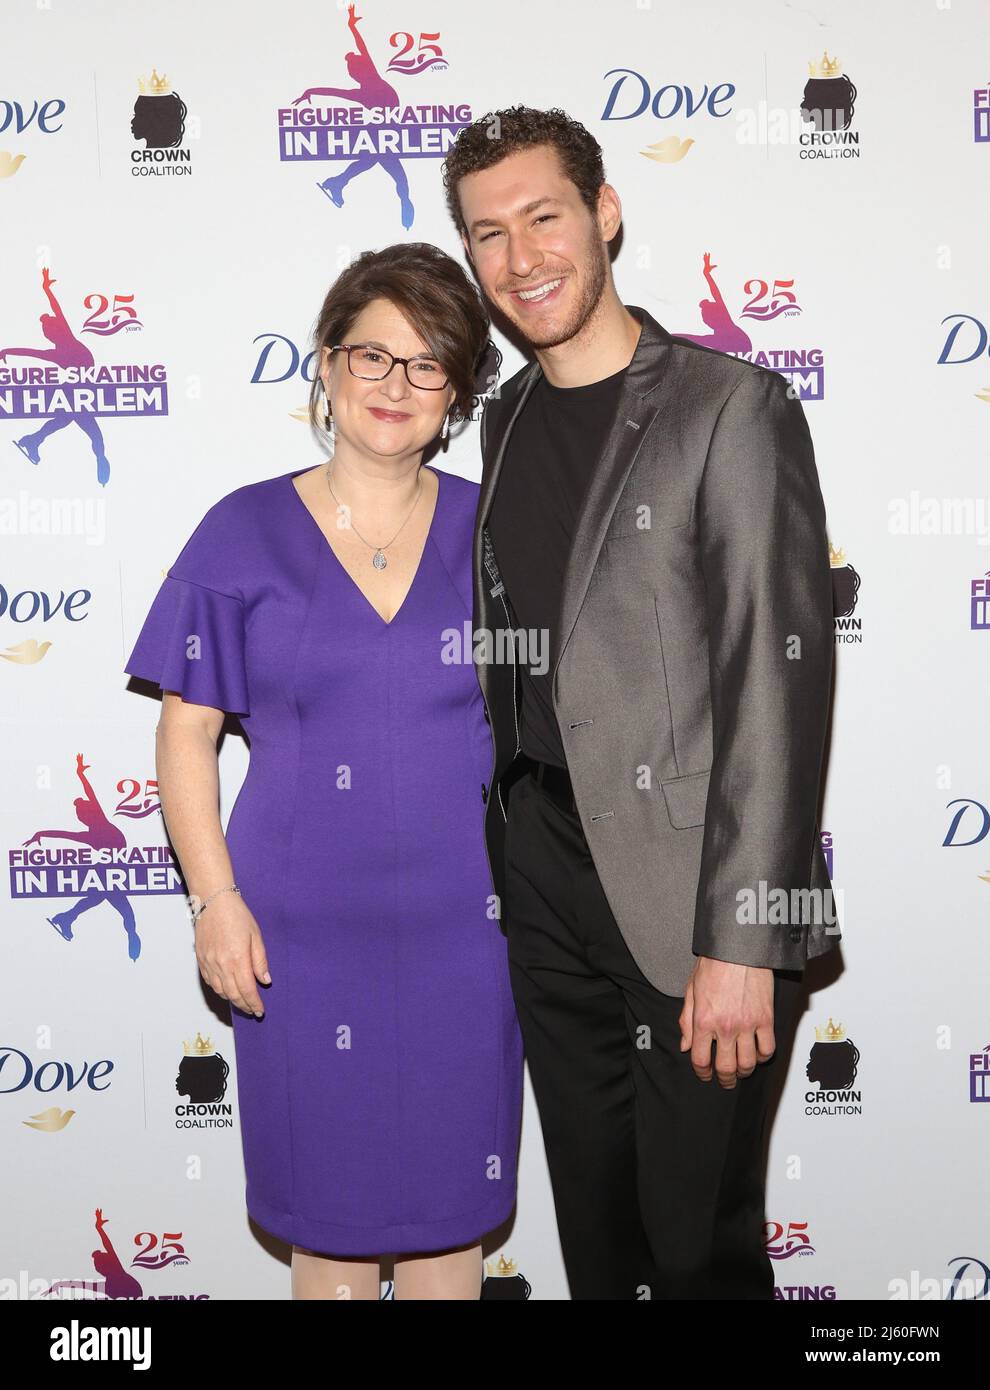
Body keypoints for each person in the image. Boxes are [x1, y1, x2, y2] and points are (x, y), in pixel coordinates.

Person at [441, 106, 840, 1299]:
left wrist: (742, 940)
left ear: (606, 214)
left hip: (693, 899)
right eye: (489, 235)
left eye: (545, 217)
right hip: (547, 881)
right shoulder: (502, 419)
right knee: (603, 1251)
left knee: (699, 1247)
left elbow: (778, 683)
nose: (522, 259)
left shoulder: (731, 407)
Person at [123, 242, 523, 1301]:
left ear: (460, 388)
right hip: (295, 933)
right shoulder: (241, 530)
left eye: (429, 362)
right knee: (330, 1234)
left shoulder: (503, 531)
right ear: (326, 365)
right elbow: (186, 730)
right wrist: (215, 900)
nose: (397, 387)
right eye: (372, 356)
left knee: (451, 1230)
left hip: (469, 931)